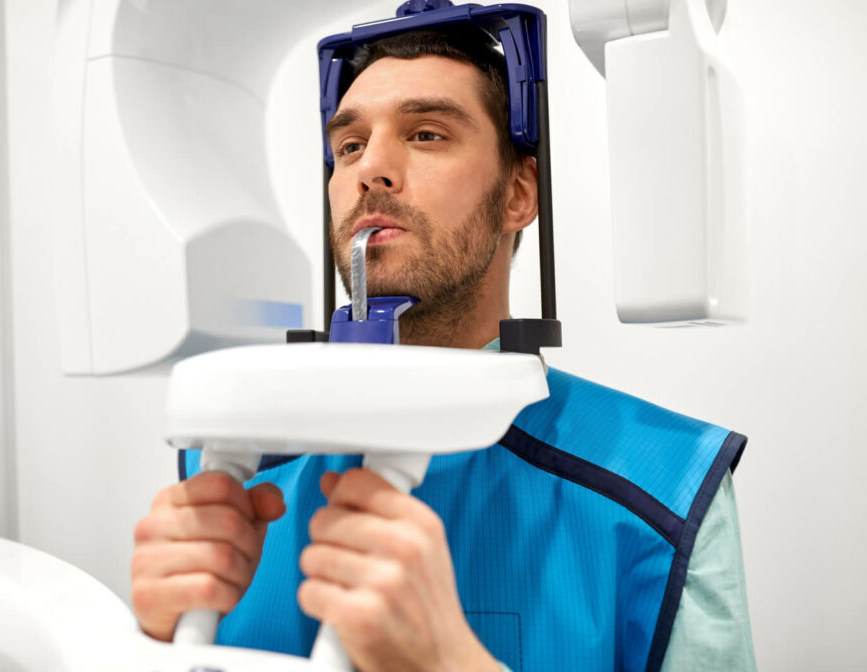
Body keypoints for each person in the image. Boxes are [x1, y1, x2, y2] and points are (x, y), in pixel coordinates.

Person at [130, 25, 756, 672]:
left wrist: (449, 661)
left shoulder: (668, 486)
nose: (369, 168)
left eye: (427, 134)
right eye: (349, 145)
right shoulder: (228, 471)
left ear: (518, 194)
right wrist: (145, 645)